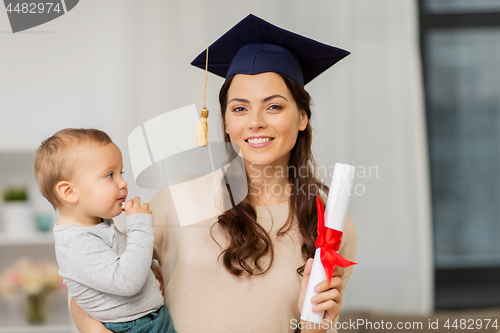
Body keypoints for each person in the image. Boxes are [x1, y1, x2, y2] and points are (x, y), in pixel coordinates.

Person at [70, 14, 357, 333]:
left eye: (274, 106)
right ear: (224, 122)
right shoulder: (178, 200)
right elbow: (90, 283)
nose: (255, 121)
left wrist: (315, 325)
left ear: (302, 117)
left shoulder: (331, 223)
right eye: (239, 108)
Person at [33, 128, 176, 333]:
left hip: (147, 319)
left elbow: (121, 253)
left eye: (121, 173)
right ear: (69, 192)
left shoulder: (96, 223)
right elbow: (127, 282)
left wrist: (152, 267)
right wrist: (140, 225)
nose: (123, 183)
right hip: (132, 327)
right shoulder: (77, 243)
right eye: (110, 175)